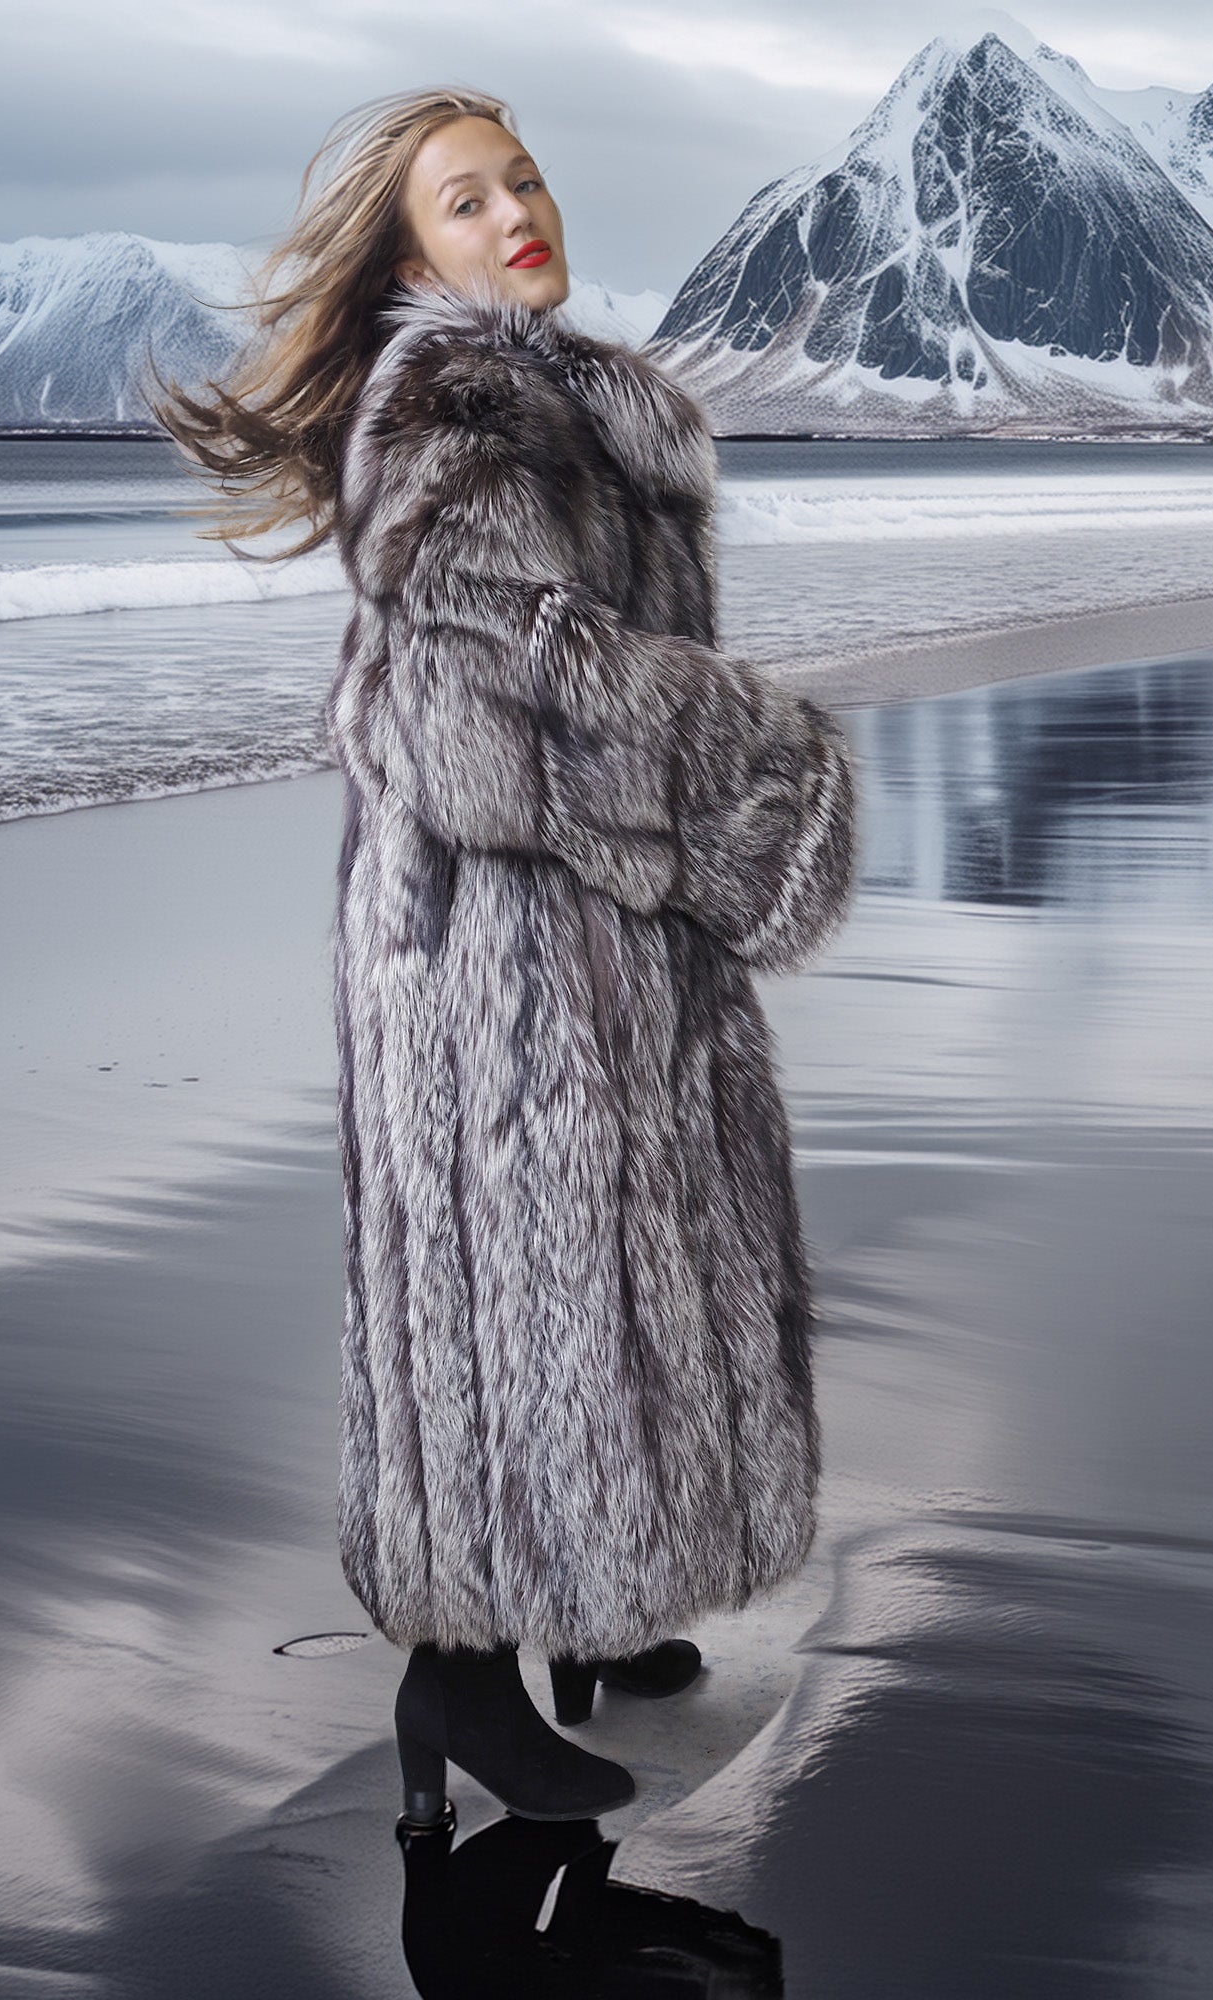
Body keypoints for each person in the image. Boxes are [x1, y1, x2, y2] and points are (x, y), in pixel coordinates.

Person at [148, 85, 858, 1834]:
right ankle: (458, 1672)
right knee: (517, 1293)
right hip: (493, 968)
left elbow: (566, 688)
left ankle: (599, 1611)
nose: (514, 212)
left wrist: (670, 841)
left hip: (597, 937)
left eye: (523, 180)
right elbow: (484, 721)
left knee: (627, 1253)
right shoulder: (461, 407)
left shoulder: (578, 402)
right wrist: (765, 776)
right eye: (465, 202)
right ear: (411, 257)